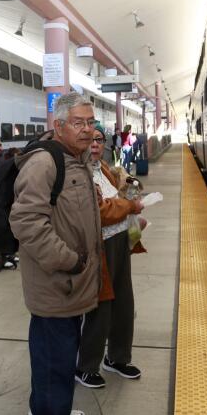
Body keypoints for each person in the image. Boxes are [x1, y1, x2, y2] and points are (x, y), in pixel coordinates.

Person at [10, 93, 102, 415]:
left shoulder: (74, 161)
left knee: (49, 351)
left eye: (90, 122)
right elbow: (26, 221)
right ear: (58, 125)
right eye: (78, 123)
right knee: (58, 357)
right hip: (57, 280)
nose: (87, 130)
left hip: (69, 281)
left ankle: (42, 411)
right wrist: (70, 261)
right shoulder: (45, 163)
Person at [75, 128, 144, 388]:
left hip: (119, 240)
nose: (94, 144)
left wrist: (129, 200)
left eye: (99, 140)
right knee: (100, 307)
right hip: (98, 246)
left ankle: (117, 358)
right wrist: (130, 206)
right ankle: (86, 366)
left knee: (124, 303)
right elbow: (100, 212)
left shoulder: (102, 167)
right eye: (89, 139)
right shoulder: (78, 173)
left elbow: (115, 198)